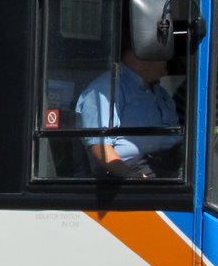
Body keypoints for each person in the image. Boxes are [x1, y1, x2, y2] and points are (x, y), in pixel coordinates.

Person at [75, 45, 181, 179]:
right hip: (132, 169)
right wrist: (131, 177)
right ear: (141, 57)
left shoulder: (160, 93)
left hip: (172, 162)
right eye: (163, 57)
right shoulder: (108, 89)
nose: (167, 65)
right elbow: (100, 146)